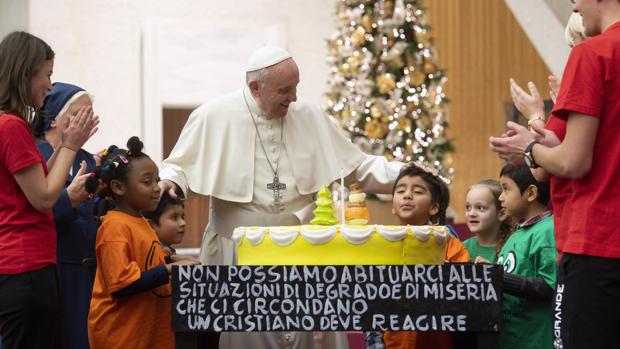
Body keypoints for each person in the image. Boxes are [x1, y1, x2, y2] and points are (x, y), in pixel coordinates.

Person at [159, 46, 402, 349]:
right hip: (238, 253)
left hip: (304, 252)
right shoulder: (213, 116)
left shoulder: (310, 116)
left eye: (296, 87)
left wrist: (407, 177)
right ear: (254, 88)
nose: (295, 98)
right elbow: (180, 167)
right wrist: (171, 180)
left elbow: (357, 167)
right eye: (285, 90)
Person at [489, 1, 620, 346]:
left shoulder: (595, 53)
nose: (575, 5)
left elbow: (575, 162)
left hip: (598, 239)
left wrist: (529, 149)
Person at [0, 31, 98, 349]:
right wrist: (69, 146)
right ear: (27, 72)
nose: (50, 86)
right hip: (25, 266)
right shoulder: (11, 126)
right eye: (47, 74)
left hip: (17, 267)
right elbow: (43, 198)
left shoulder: (8, 124)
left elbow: (37, 180)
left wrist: (68, 144)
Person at [86, 137, 199, 349]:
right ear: (119, 188)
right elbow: (122, 284)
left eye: (157, 180)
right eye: (147, 182)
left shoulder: (141, 222)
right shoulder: (114, 227)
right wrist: (168, 268)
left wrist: (171, 258)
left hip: (145, 334)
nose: (157, 188)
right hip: (122, 336)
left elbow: (143, 260)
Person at [33, 82, 99, 349]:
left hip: (88, 273)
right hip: (52, 269)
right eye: (79, 114)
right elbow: (32, 211)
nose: (86, 121)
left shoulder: (89, 159)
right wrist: (69, 200)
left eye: (90, 114)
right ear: (53, 121)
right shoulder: (36, 155)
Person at [380, 164, 471, 349]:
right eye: (401, 190)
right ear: (393, 207)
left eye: (418, 191)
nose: (407, 195)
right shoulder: (382, 244)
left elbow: (462, 293)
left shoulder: (448, 244)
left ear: (434, 207)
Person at [490, 164, 556, 349]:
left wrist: (498, 276)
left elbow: (549, 286)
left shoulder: (547, 230)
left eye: (506, 189)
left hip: (534, 340)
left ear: (530, 193)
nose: (500, 197)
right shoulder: (518, 232)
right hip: (513, 337)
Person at [463, 180, 512, 263]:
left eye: (480, 208)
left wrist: (493, 271)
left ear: (502, 214)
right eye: (468, 207)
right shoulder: (461, 248)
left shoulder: (512, 249)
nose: (471, 214)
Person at [144, 191, 185, 256]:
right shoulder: (151, 255)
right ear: (152, 226)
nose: (183, 223)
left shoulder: (168, 252)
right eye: (174, 217)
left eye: (182, 217)